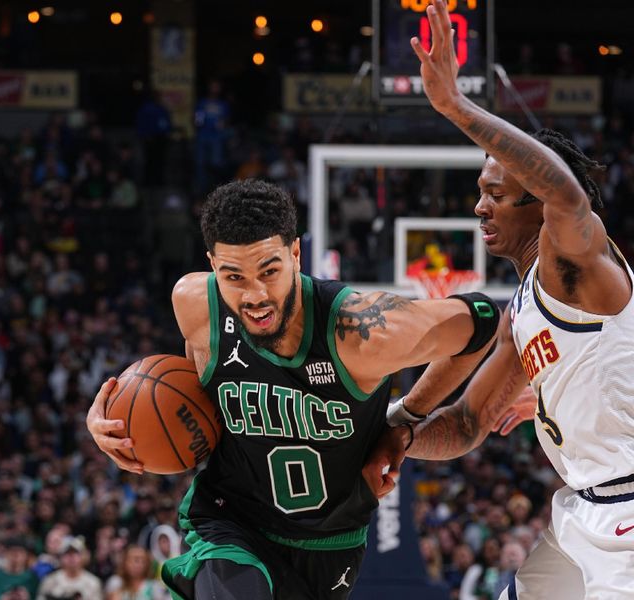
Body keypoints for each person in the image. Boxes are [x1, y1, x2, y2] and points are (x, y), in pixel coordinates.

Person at [87, 177, 501, 599]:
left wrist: (408, 417)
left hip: (330, 546)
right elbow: (192, 405)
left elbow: (485, 320)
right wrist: (116, 423)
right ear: (213, 266)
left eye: (269, 270)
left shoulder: (363, 333)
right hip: (231, 521)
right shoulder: (196, 305)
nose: (255, 295)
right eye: (234, 276)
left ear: (296, 254)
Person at [379, 2, 634, 598]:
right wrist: (396, 435)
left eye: (496, 192)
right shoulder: (524, 307)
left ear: (536, 206)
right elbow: (469, 421)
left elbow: (567, 197)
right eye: (481, 191)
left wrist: (456, 107)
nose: (479, 207)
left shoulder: (579, 261)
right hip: (584, 513)